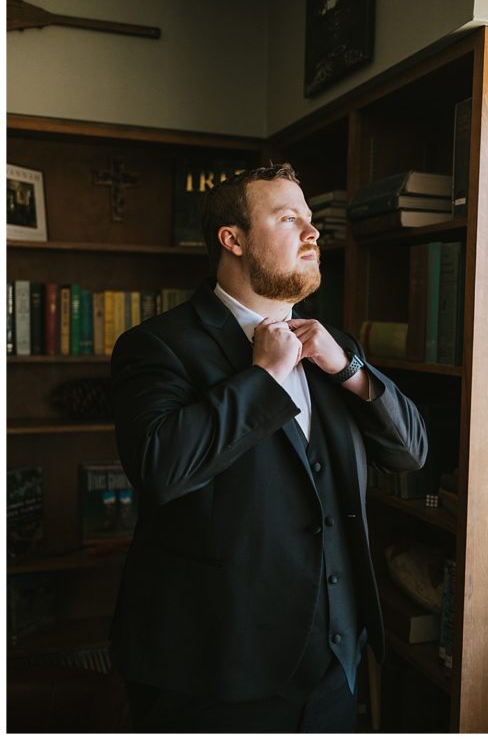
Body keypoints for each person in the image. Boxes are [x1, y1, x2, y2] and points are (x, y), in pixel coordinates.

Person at [109, 163, 427, 732]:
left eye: (311, 222)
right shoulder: (156, 345)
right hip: (215, 672)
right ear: (232, 240)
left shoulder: (331, 346)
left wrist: (350, 368)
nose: (312, 234)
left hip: (336, 661)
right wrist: (263, 379)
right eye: (288, 220)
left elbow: (411, 453)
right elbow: (161, 469)